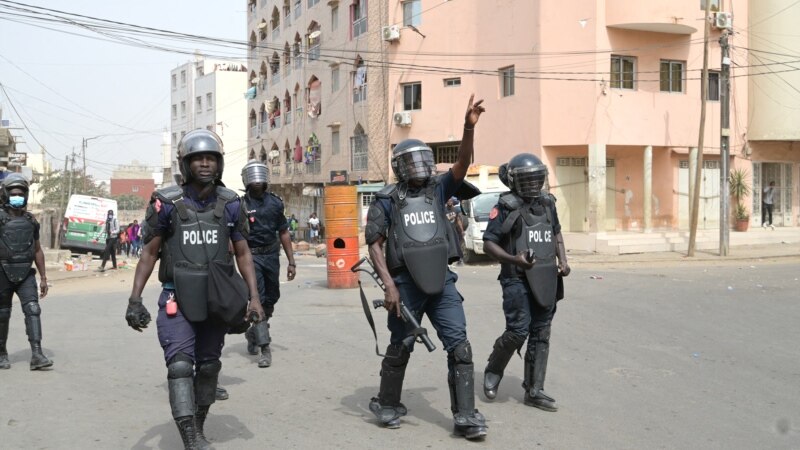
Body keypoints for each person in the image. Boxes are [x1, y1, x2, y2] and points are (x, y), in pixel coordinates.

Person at [125, 129, 265, 449]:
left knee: (209, 366)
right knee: (179, 364)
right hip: (176, 294)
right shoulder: (167, 203)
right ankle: (191, 438)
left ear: (220, 164)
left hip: (215, 297)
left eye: (211, 158)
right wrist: (135, 299)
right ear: (185, 164)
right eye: (197, 159)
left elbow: (243, 253)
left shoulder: (231, 204)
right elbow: (149, 253)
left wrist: (254, 298)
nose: (205, 164)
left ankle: (197, 427)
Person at [364, 95, 487, 440]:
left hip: (442, 281)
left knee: (460, 347)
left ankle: (466, 415)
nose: (419, 166)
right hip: (405, 284)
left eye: (423, 159)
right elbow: (373, 243)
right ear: (400, 166)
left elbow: (462, 163)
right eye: (411, 161)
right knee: (401, 345)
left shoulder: (439, 189)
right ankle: (386, 403)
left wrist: (468, 127)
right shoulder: (386, 199)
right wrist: (389, 285)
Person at [481, 153, 571, 412]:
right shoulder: (505, 205)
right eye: (527, 180)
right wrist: (514, 259)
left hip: (545, 277)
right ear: (514, 181)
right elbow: (489, 243)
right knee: (518, 330)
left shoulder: (547, 203)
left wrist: (563, 261)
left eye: (536, 179)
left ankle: (534, 389)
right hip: (516, 278)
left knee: (541, 333)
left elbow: (556, 233)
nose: (533, 185)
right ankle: (494, 369)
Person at [241, 160, 297, 368]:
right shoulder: (240, 205)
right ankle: (265, 347)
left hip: (272, 256)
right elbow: (234, 237)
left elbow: (283, 232)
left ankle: (253, 332)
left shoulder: (275, 203)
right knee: (257, 298)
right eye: (252, 178)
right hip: (251, 257)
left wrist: (291, 261)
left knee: (271, 298)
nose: (256, 181)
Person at [0, 174, 53, 371]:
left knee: (33, 309)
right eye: (13, 194)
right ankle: (1, 353)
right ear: (5, 195)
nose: (17, 198)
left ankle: (37, 354)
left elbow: (37, 250)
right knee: (2, 314)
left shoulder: (31, 221)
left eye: (21, 195)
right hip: (2, 272)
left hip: (25, 273)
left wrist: (44, 277)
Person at [445, 197, 465, 266]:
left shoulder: (455, 210)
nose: (449, 202)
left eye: (450, 201)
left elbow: (458, 220)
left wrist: (462, 230)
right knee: (448, 246)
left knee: (458, 245)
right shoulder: (444, 210)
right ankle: (448, 260)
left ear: (452, 202)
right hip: (447, 232)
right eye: (448, 201)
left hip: (455, 230)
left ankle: (460, 259)